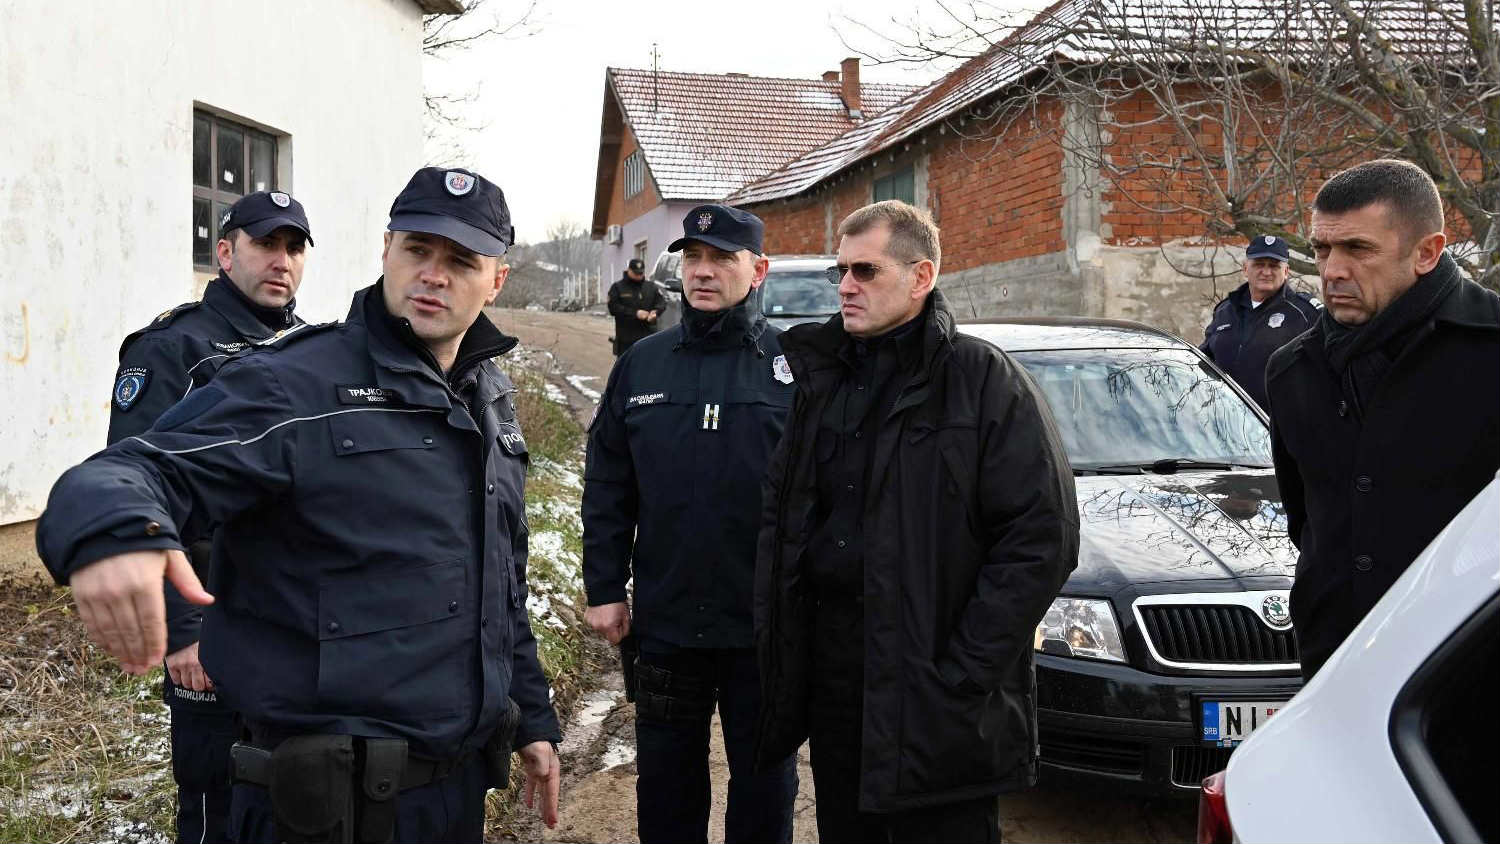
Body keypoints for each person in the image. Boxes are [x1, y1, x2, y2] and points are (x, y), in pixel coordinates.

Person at [36, 167, 562, 843]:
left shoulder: (489, 400)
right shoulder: (295, 383)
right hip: (321, 808)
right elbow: (140, 467)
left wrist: (533, 718)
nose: (433, 275)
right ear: (387, 250)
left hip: (451, 796)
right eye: (417, 250)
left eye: (461, 261)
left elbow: (503, 585)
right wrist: (116, 532)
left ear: (497, 281)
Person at [755, 200, 1079, 844]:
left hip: (938, 702)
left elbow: (1042, 537)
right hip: (840, 689)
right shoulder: (823, 379)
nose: (846, 286)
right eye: (840, 271)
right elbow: (788, 522)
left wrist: (963, 672)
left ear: (921, 276)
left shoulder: (983, 381)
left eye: (866, 270)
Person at [583, 204, 798, 844]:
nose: (702, 272)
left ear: (758, 270)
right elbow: (609, 483)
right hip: (668, 624)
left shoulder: (793, 366)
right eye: (693, 258)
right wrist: (603, 587)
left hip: (764, 629)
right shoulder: (642, 364)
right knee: (667, 789)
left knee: (765, 791)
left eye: (722, 259)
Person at [106, 189, 313, 844]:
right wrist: (183, 628)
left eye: (294, 247)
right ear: (225, 253)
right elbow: (136, 494)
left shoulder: (312, 353)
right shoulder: (174, 348)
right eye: (265, 244)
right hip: (215, 632)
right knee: (215, 811)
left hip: (296, 628)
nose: (282, 260)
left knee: (297, 805)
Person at [1266, 158, 1500, 681]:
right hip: (1336, 667)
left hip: (1471, 679)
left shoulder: (1490, 351)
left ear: (1426, 252)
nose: (1332, 270)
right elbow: (1309, 522)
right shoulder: (1293, 371)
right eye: (1322, 249)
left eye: (1358, 248)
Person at [1199, 234, 1321, 410]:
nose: (1266, 272)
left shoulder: (1306, 313)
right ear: (1245, 269)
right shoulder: (1226, 310)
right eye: (1259, 264)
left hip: (1277, 423)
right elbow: (1205, 361)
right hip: (1224, 419)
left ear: (1286, 271)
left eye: (1274, 266)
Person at [607, 257, 667, 355]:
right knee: (627, 364)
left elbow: (661, 302)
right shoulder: (617, 287)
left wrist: (656, 311)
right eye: (636, 273)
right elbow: (613, 308)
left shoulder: (651, 287)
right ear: (629, 270)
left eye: (641, 273)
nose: (639, 276)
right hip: (626, 339)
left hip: (648, 337)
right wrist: (635, 313)